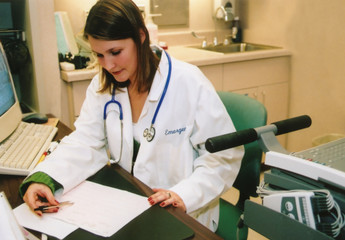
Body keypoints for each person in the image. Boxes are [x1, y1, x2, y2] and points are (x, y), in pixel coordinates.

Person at [20, 0, 244, 232]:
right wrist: (44, 177)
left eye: (115, 52)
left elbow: (224, 156)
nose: (108, 65)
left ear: (141, 36)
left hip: (185, 214)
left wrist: (183, 194)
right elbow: (86, 141)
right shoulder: (103, 86)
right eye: (99, 55)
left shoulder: (188, 82)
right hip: (130, 206)